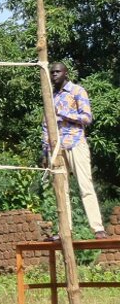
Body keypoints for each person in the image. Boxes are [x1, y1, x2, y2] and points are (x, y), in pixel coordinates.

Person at [43, 62, 107, 240]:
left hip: (76, 142)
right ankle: (65, 230)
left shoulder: (77, 91)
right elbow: (45, 125)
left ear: (66, 73)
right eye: (52, 72)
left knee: (85, 186)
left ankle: (97, 228)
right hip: (56, 148)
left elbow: (87, 118)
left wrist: (63, 114)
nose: (54, 75)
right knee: (61, 190)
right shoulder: (51, 96)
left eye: (57, 72)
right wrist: (45, 150)